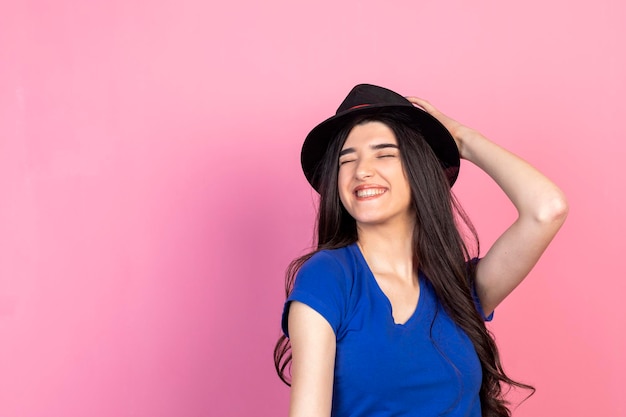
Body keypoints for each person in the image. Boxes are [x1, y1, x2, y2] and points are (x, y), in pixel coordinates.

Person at [274, 84, 568, 417]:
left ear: (420, 169)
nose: (362, 170)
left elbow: (547, 209)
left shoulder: (459, 289)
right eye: (347, 160)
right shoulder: (328, 279)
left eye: (384, 154)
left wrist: (461, 139)